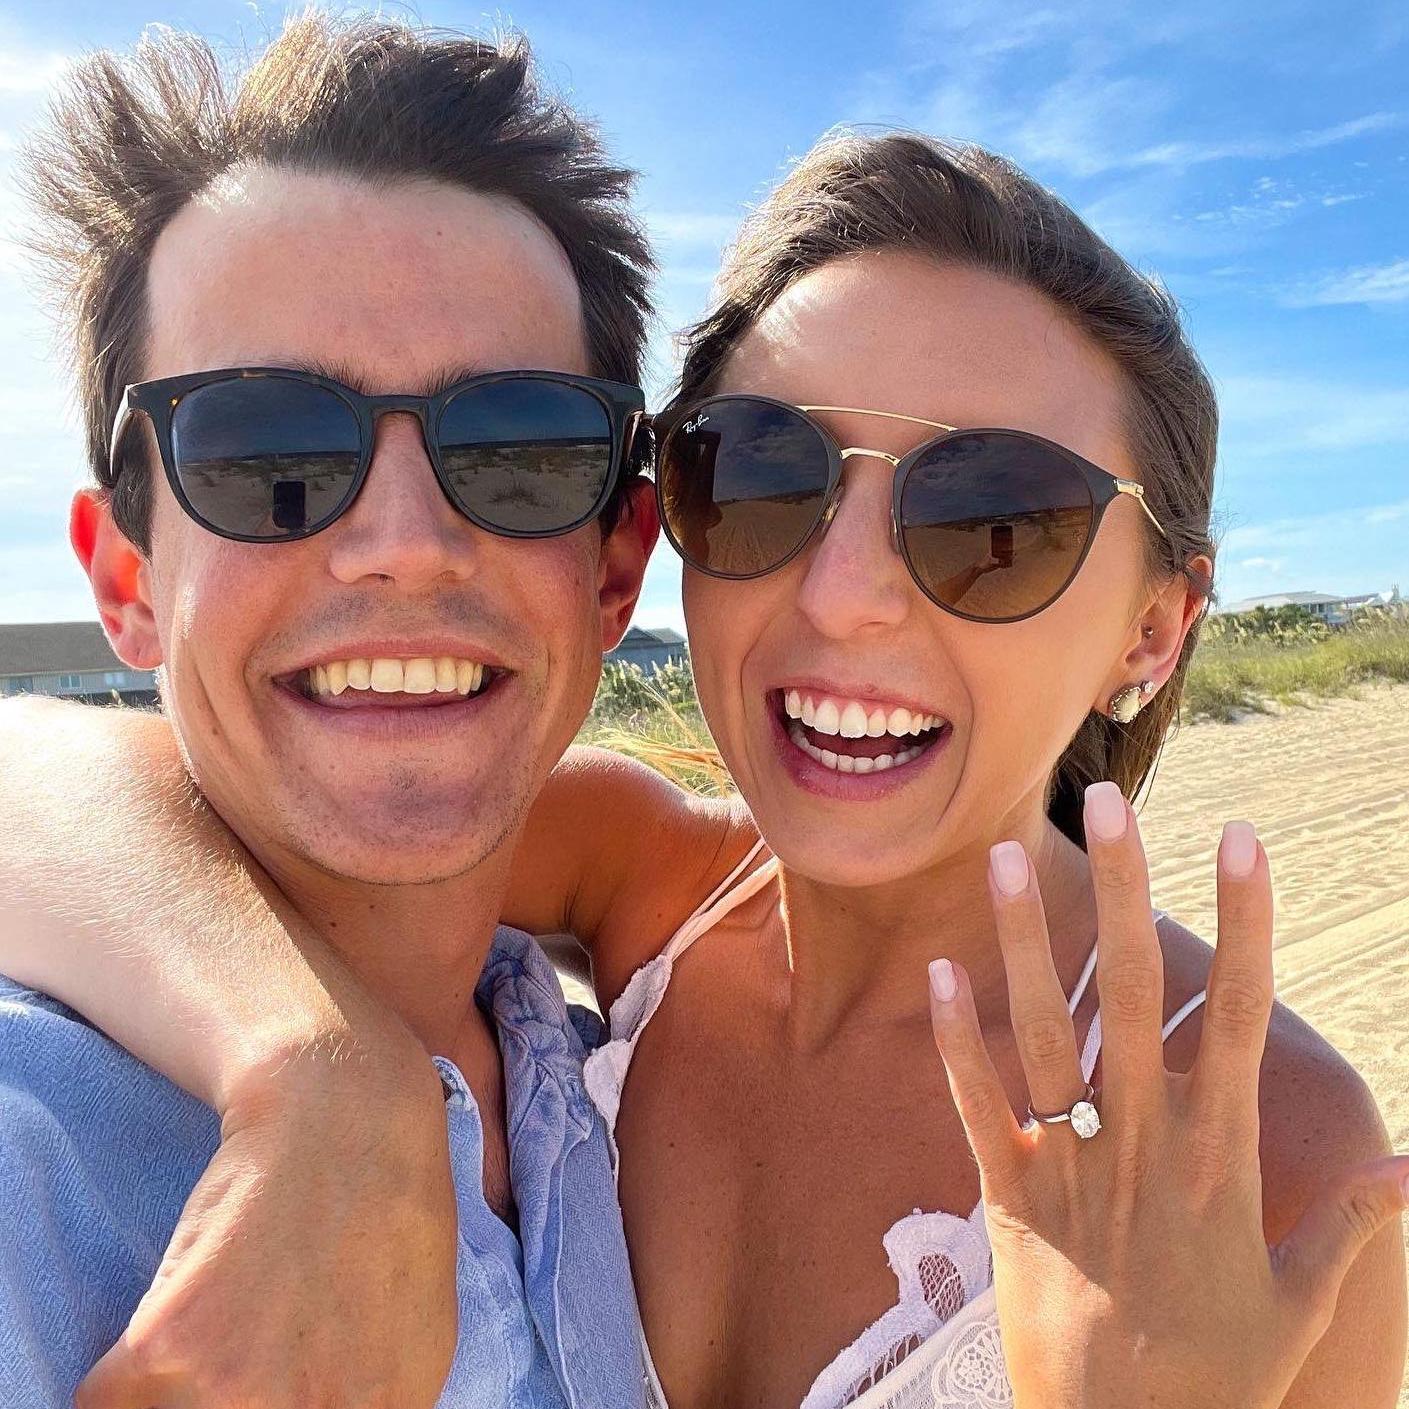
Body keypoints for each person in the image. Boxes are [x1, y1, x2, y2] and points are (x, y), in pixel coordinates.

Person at [4, 116, 1407, 1409]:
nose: (841, 590)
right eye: (763, 477)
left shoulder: (1279, 1162)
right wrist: (312, 1067)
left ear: (1153, 628)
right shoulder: (643, 875)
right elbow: (66, 782)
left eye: (993, 517)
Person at [0, 13, 665, 1408]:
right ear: (127, 578)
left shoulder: (647, 1099)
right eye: (266, 449)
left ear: (613, 568)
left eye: (519, 447)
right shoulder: (27, 1155)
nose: (405, 541)